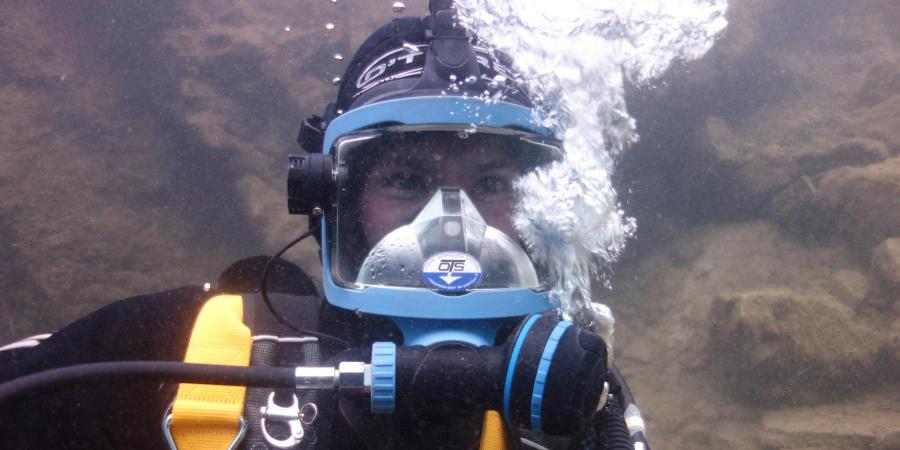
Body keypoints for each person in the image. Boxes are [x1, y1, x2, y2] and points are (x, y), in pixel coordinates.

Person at [0, 2, 648, 449]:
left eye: (491, 184)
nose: (454, 226)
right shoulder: (175, 354)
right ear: (331, 197)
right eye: (406, 180)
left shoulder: (569, 411)